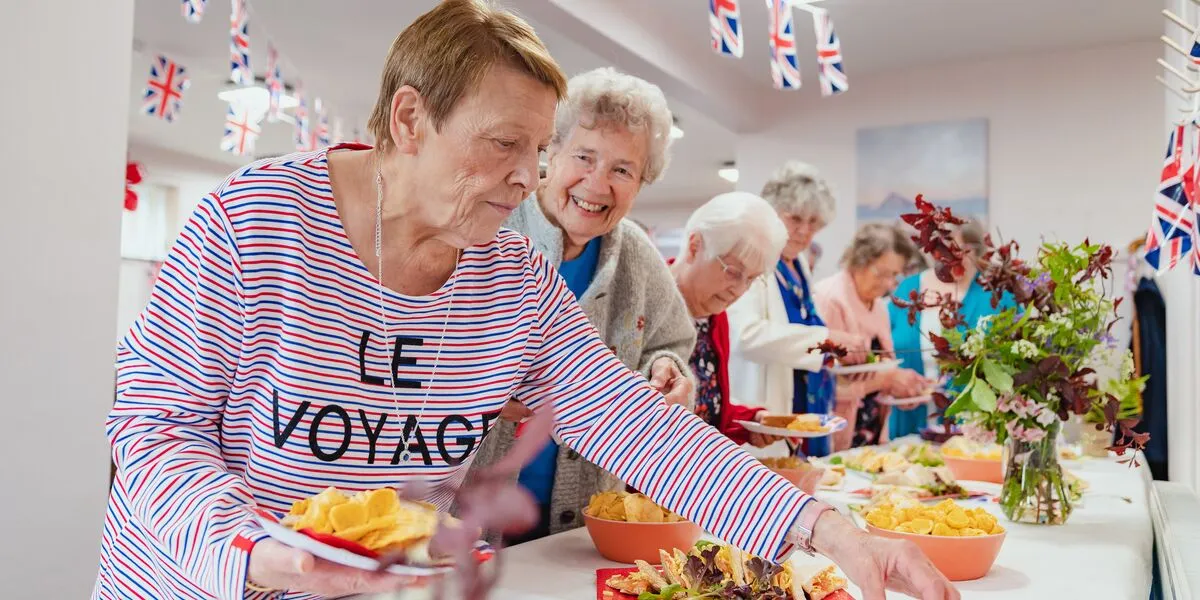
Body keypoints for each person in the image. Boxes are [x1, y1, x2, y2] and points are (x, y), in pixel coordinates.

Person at [96, 3, 957, 599]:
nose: (530, 178)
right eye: (505, 144)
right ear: (409, 120)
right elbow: (148, 429)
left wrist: (820, 528)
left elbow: (638, 428)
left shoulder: (510, 277)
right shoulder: (253, 223)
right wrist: (258, 552)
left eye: (538, 148)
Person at [469, 67, 696, 544]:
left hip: (581, 523)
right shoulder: (490, 227)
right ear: (551, 150)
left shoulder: (636, 254)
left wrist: (666, 369)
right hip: (470, 512)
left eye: (622, 170)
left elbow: (669, 340)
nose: (596, 184)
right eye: (584, 157)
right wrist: (481, 387)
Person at [726, 161, 861, 458]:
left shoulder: (798, 264)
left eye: (814, 222)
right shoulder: (753, 258)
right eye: (795, 218)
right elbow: (746, 336)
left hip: (806, 404)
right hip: (764, 405)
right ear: (771, 212)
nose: (804, 231)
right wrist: (825, 339)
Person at [668, 191, 789, 448]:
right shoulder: (648, 305)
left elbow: (705, 411)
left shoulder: (714, 316)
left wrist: (750, 422)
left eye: (752, 279)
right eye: (734, 272)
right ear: (694, 246)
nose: (740, 290)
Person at [888, 219, 1013, 439]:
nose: (953, 259)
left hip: (976, 424)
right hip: (908, 420)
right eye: (944, 251)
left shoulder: (997, 294)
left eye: (963, 251)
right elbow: (883, 350)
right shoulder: (907, 290)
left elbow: (1013, 358)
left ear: (978, 251)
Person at [814, 224, 931, 451]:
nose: (888, 284)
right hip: (834, 437)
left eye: (894, 275)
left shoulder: (879, 307)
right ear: (859, 260)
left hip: (870, 437)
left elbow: (878, 370)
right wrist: (886, 380)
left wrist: (901, 387)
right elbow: (824, 384)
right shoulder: (830, 300)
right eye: (881, 273)